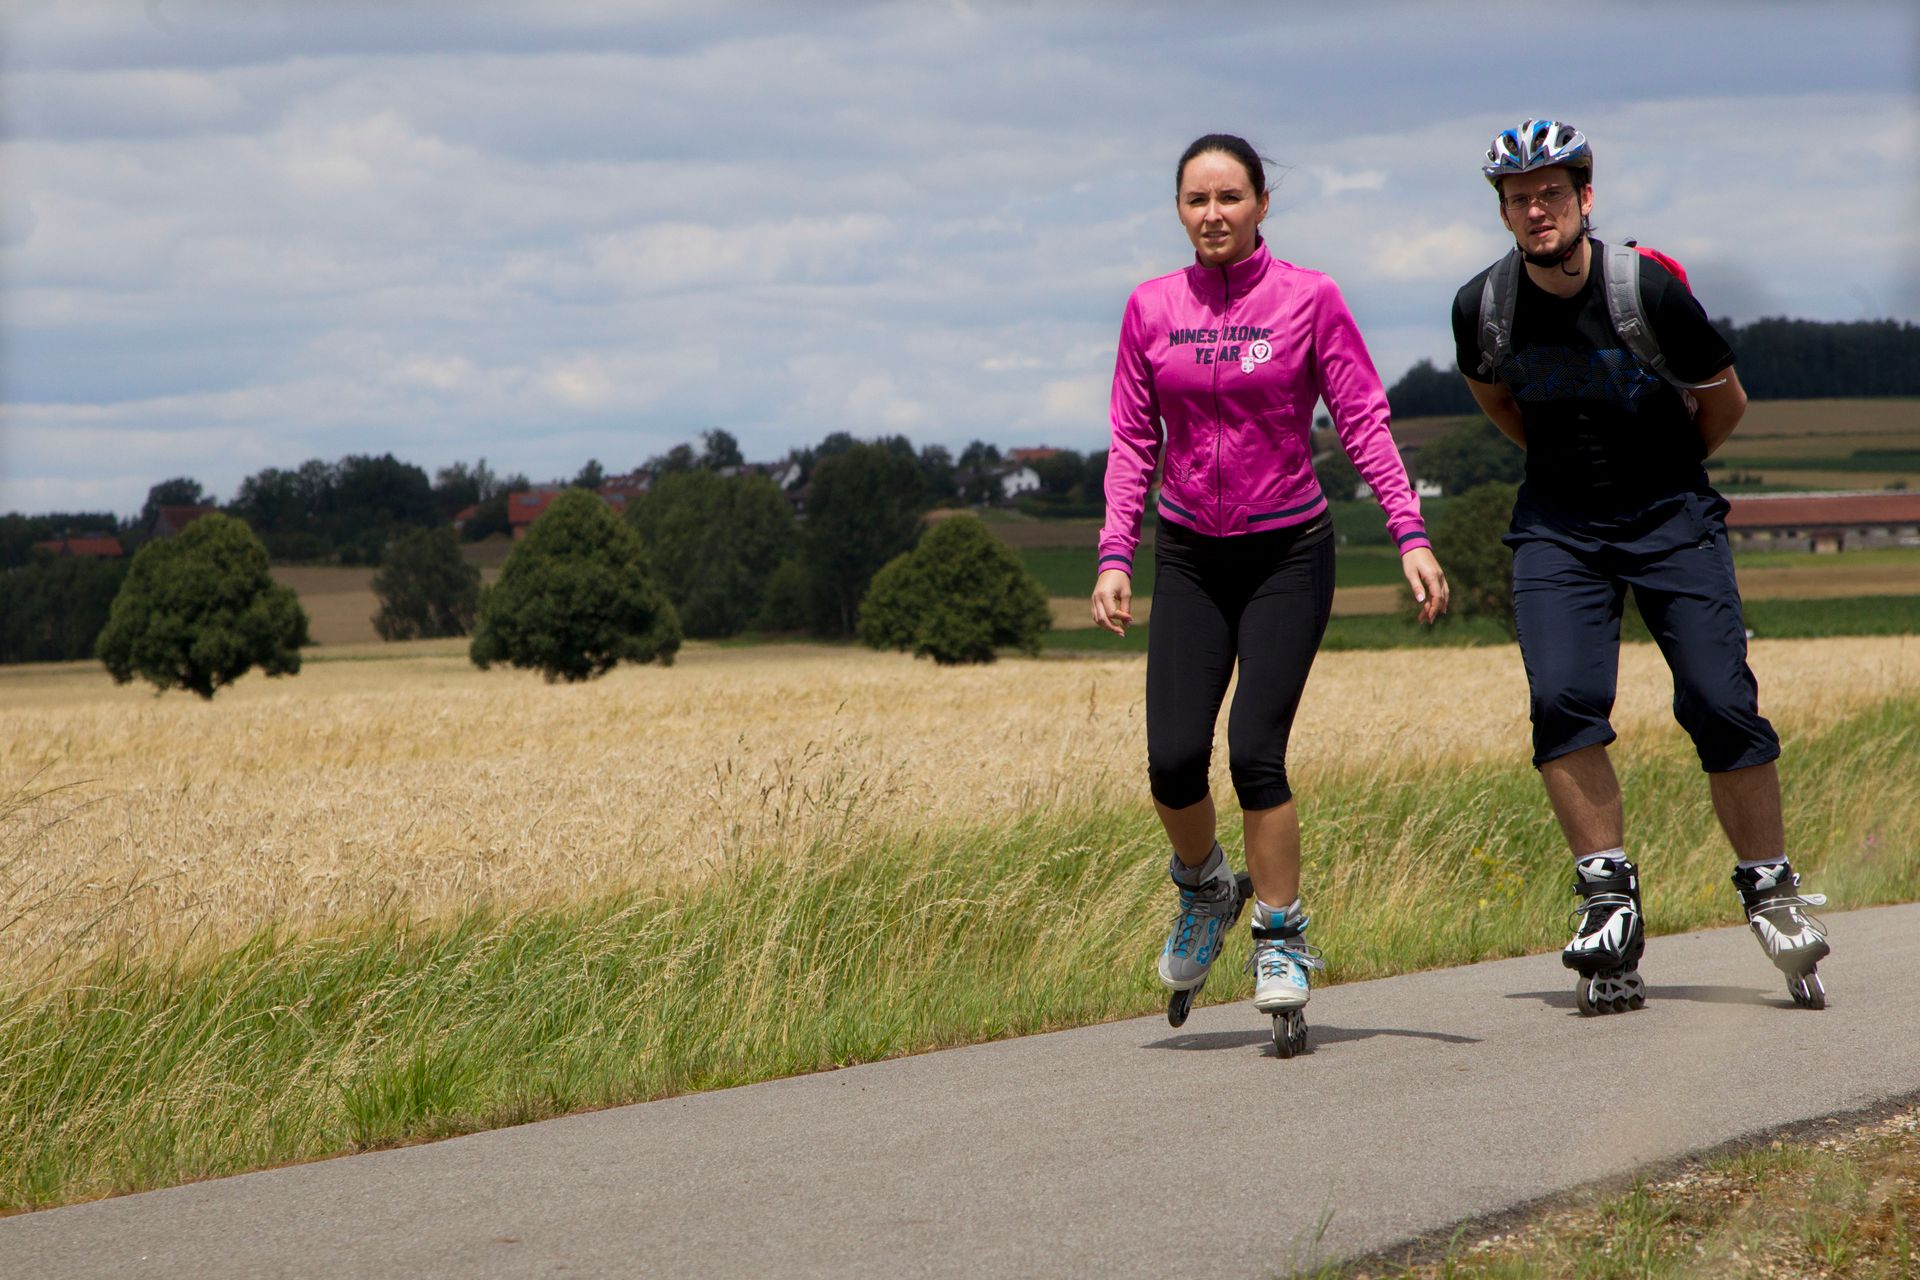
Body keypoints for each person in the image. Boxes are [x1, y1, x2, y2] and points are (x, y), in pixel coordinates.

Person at [1451, 119, 1830, 1015]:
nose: (1536, 210)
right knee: (1562, 700)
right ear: (1503, 212)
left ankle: (1770, 887)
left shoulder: (1645, 290)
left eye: (1551, 192)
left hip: (1669, 515)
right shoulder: (1483, 306)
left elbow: (1724, 402)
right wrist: (1575, 477)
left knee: (1719, 700)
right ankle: (1607, 897)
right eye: (1518, 198)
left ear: (1585, 197)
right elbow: (1497, 401)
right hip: (1559, 526)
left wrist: (1661, 477)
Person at [1091, 133, 1448, 1053]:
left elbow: (1362, 416)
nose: (1213, 214)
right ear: (1179, 210)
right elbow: (1132, 439)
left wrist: (1408, 532)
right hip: (1190, 556)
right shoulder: (1151, 307)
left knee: (1255, 749)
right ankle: (1206, 885)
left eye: (1230, 197)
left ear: (1261, 205)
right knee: (1173, 761)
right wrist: (1114, 554)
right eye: (1196, 199)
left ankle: (1280, 938)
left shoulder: (1308, 298)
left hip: (1288, 551)